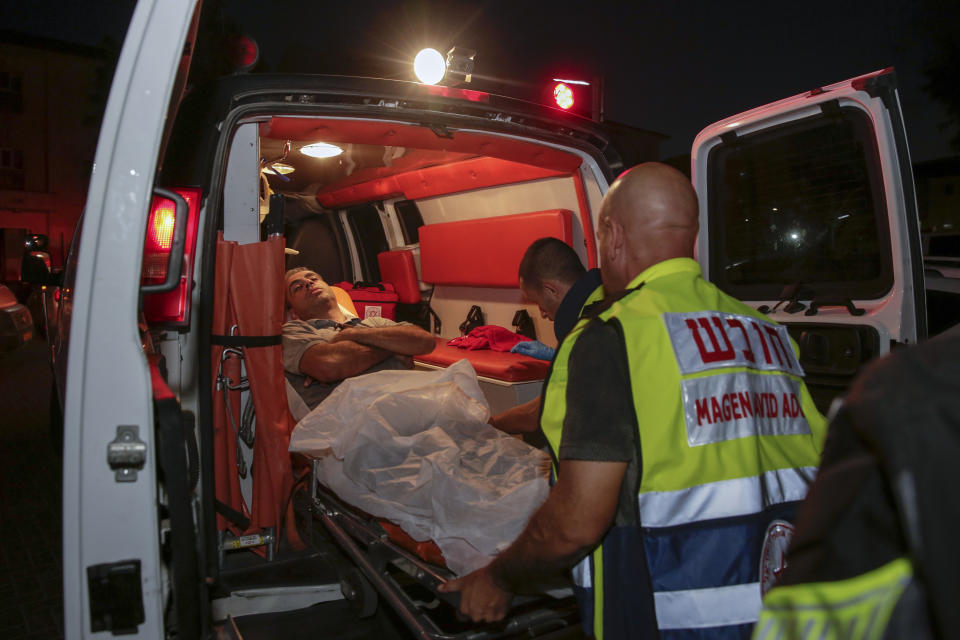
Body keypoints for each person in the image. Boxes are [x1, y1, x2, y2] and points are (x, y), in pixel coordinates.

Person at [440, 163, 827, 639]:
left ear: (614, 235)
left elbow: (576, 523)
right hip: (785, 602)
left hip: (672, 610)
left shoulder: (611, 337)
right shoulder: (766, 333)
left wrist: (498, 577)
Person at [489, 237, 603, 434]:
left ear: (551, 289)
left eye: (537, 300)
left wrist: (489, 425)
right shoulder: (611, 298)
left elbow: (539, 412)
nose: (541, 312)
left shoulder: (584, 330)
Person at [283, 267, 435, 410]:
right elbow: (330, 364)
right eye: (298, 288)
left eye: (313, 278)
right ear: (294, 313)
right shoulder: (294, 332)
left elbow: (425, 341)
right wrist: (394, 347)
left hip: (410, 401)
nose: (308, 283)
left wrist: (354, 334)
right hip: (356, 421)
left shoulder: (372, 324)